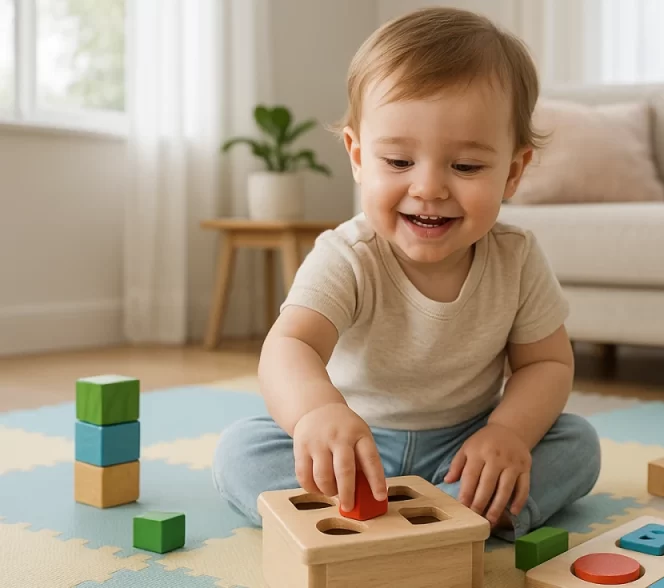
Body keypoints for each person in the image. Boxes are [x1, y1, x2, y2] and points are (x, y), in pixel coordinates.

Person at [212, 6, 601, 541]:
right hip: (352, 442)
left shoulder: (516, 257)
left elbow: (548, 363)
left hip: (465, 445)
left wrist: (507, 433)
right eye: (398, 162)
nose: (430, 188)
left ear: (513, 172)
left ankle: (441, 509)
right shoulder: (348, 254)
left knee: (577, 443)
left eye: (465, 167)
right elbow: (290, 346)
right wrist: (316, 414)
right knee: (240, 449)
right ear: (356, 155)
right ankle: (431, 518)